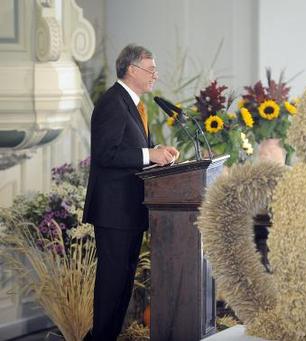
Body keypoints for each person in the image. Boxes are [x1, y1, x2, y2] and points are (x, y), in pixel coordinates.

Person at [82, 44, 179, 340]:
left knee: (121, 285)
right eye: (151, 70)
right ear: (131, 70)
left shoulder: (134, 104)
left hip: (129, 211)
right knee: (112, 286)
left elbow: (130, 151)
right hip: (114, 213)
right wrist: (150, 155)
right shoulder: (113, 102)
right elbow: (105, 154)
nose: (155, 76)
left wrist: (158, 153)